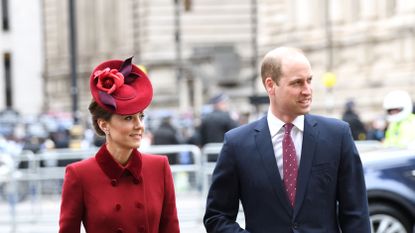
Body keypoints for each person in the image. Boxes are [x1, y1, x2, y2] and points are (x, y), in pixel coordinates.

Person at [203, 47, 371, 233]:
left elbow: (356, 214)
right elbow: (217, 216)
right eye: (297, 83)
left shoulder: (337, 135)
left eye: (309, 80)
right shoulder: (237, 144)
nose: (307, 91)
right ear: (270, 85)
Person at [59, 57, 180, 233]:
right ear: (104, 125)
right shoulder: (80, 174)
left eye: (141, 116)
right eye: (128, 118)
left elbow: (171, 229)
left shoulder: (159, 167)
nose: (139, 125)